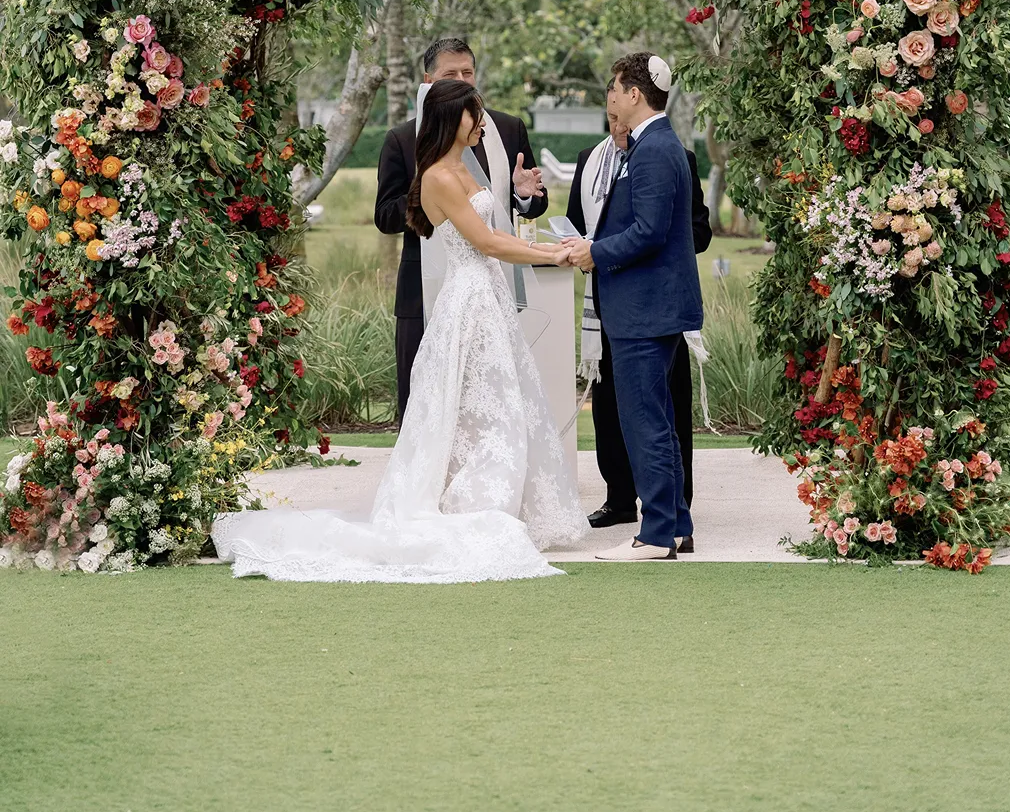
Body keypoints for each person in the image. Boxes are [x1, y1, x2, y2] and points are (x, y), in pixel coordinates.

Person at [213, 80, 586, 583]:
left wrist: (549, 245)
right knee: (482, 405)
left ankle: (500, 501)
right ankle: (476, 505)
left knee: (499, 403)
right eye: (473, 115)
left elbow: (498, 235)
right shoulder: (437, 176)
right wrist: (553, 253)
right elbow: (487, 245)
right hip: (469, 299)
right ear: (451, 118)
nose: (481, 123)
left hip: (487, 297)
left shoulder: (463, 168)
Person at [563, 53, 703, 561]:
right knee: (657, 421)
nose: (610, 99)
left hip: (647, 310)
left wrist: (592, 252)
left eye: (614, 90)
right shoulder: (651, 146)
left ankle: (656, 533)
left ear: (635, 95)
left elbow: (649, 232)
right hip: (650, 307)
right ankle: (678, 527)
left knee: (644, 423)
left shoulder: (653, 150)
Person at [375, 37, 548, 419]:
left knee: (492, 397)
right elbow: (384, 216)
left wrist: (522, 194)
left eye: (467, 72)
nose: (462, 80)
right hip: (422, 289)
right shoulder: (402, 139)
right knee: (423, 401)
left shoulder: (506, 128)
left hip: (491, 285)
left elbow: (535, 203)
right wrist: (431, 191)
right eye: (450, 74)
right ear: (428, 81)